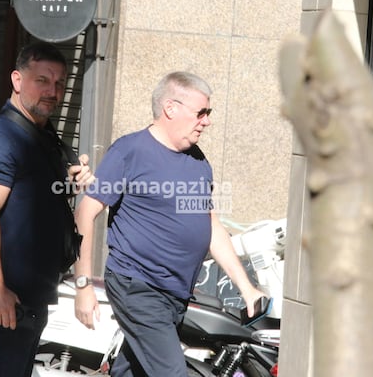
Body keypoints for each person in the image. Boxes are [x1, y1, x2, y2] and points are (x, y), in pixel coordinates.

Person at [73, 71, 267, 377]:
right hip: (138, 286)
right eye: (201, 113)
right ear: (170, 109)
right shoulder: (130, 151)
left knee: (132, 370)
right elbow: (85, 213)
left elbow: (209, 224)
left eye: (209, 113)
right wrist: (83, 285)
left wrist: (247, 288)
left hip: (175, 294)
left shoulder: (198, 161)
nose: (207, 121)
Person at [0, 40, 94, 377]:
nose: (53, 90)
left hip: (31, 298)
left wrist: (72, 183)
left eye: (60, 83)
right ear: (17, 81)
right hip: (6, 302)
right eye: (42, 80)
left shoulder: (41, 137)